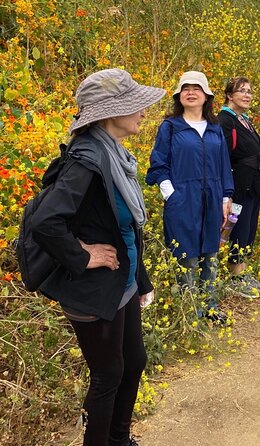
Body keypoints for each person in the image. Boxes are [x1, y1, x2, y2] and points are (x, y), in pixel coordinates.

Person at [32, 68, 165, 445]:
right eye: (135, 105)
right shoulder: (86, 161)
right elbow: (46, 222)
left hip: (119, 283)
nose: (143, 111)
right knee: (108, 374)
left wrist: (140, 281)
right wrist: (83, 254)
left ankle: (120, 439)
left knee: (134, 362)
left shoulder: (114, 155)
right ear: (110, 114)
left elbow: (125, 228)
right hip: (92, 288)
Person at [146, 71, 234, 317]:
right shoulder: (171, 127)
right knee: (187, 256)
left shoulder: (215, 128)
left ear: (206, 96)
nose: (191, 92)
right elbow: (158, 163)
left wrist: (227, 196)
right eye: (186, 88)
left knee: (211, 254)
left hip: (213, 198)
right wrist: (170, 193)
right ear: (179, 95)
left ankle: (210, 307)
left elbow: (224, 165)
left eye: (197, 88)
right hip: (183, 198)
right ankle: (190, 313)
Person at [217, 77, 260, 298]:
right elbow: (222, 157)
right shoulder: (225, 121)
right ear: (230, 95)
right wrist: (225, 192)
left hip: (252, 184)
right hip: (237, 186)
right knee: (238, 230)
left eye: (250, 91)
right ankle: (236, 278)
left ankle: (242, 274)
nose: (247, 95)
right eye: (242, 91)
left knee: (248, 228)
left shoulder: (244, 120)